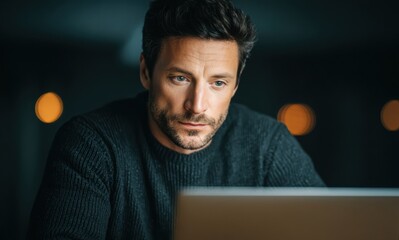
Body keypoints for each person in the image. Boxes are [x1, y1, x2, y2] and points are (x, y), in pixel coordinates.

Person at [27, 0, 325, 239]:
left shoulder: (268, 145)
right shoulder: (90, 145)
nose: (197, 106)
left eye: (218, 83)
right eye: (180, 78)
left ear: (235, 85)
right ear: (146, 72)